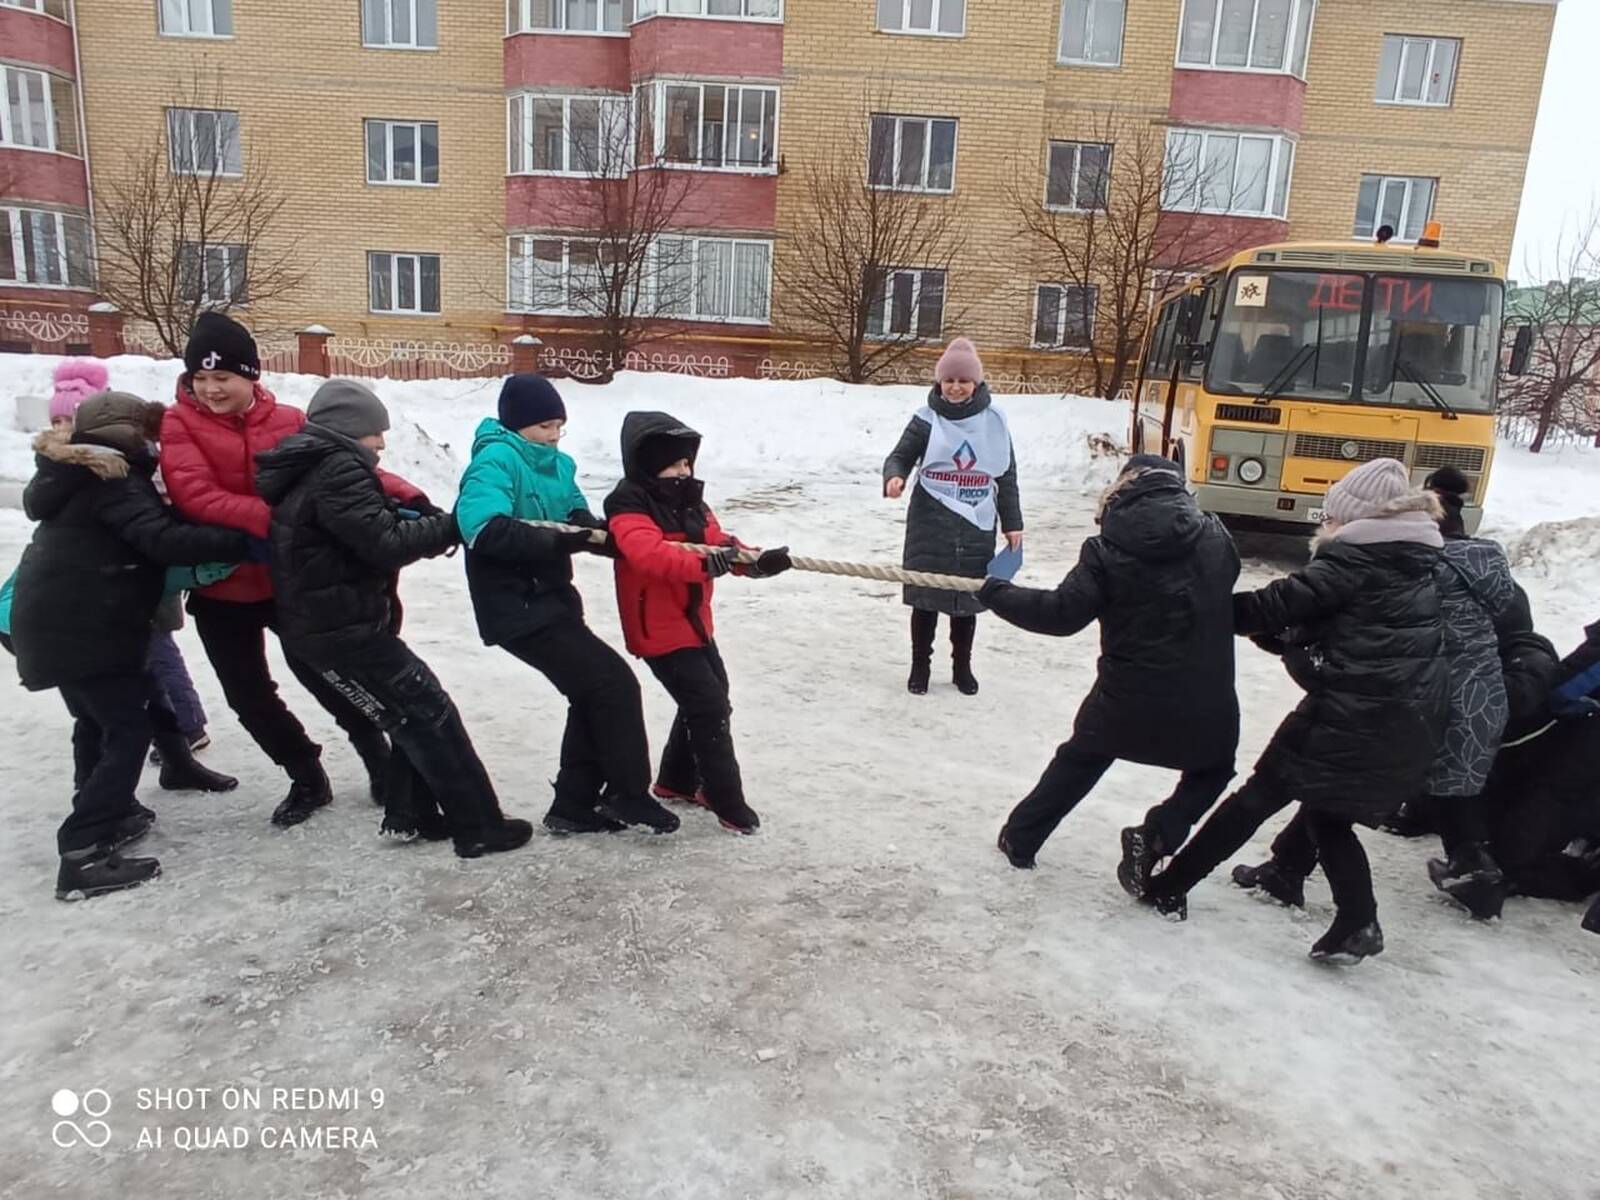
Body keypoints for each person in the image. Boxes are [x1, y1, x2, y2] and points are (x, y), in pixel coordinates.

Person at [1142, 459, 1449, 965]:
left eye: (1333, 513)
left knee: (1257, 798)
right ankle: (1353, 919)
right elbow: (1338, 626)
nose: (1327, 521)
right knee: (1328, 815)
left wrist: (1197, 607)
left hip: (1352, 714)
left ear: (1358, 516)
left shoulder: (1354, 560)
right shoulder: (1418, 561)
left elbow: (1274, 606)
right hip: (1405, 713)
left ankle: (1170, 886)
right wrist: (1285, 638)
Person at [161, 313, 424, 827]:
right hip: (223, 588)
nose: (211, 389)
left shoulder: (287, 421)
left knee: (330, 676)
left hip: (291, 582)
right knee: (248, 694)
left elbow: (343, 466)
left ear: (250, 375)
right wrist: (287, 522)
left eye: (223, 377)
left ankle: (377, 756)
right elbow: (196, 496)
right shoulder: (178, 424)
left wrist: (405, 494)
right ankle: (305, 775)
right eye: (201, 378)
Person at [254, 379, 533, 858]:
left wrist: (410, 518)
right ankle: (480, 827)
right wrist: (457, 523)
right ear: (347, 429)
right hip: (344, 630)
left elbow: (359, 529)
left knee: (410, 717)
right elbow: (385, 543)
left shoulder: (313, 466)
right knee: (429, 712)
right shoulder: (339, 469)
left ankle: (412, 814)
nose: (382, 442)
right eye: (374, 432)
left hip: (325, 625)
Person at [10, 392, 249, 899]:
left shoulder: (75, 475)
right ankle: (84, 848)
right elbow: (161, 540)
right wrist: (241, 538)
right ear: (127, 433)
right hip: (84, 628)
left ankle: (110, 812)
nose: (156, 444)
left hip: (61, 623)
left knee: (98, 721)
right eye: (149, 434)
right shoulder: (111, 478)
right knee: (127, 729)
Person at [982, 455, 1240, 888]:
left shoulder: (1106, 550)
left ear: (1121, 492)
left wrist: (997, 594)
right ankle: (1159, 834)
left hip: (1127, 698)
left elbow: (1061, 615)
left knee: (1083, 758)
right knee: (1213, 769)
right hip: (1207, 698)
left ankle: (1021, 838)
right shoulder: (1216, 536)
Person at [454, 374, 678, 836]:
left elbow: (579, 520)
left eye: (559, 426)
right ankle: (629, 794)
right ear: (516, 425)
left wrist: (618, 537)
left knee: (593, 690)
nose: (553, 435)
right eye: (544, 427)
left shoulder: (561, 465)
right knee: (613, 684)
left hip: (553, 599)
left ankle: (573, 805)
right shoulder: (494, 461)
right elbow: (481, 527)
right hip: (514, 605)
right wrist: (556, 539)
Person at [603, 411, 792, 835]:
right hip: (657, 630)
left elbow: (716, 543)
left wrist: (755, 562)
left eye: (687, 462)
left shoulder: (690, 500)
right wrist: (705, 566)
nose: (683, 471)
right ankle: (724, 797)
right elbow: (649, 556)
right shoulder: (628, 503)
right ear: (649, 463)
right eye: (673, 464)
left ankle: (677, 780)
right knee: (708, 706)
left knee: (712, 696)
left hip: (695, 624)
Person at [883, 337, 1022, 696]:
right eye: (949, 380)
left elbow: (1006, 476)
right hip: (930, 520)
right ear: (939, 382)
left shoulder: (994, 422)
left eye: (963, 380)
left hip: (976, 521)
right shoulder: (925, 420)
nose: (956, 387)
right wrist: (895, 477)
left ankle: (962, 666)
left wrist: (1012, 523)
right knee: (926, 599)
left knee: (966, 601)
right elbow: (899, 456)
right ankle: (920, 666)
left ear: (976, 383)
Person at [1415, 466, 1520, 918]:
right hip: (1485, 691)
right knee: (1456, 785)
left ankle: (1479, 873)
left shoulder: (1429, 566)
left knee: (1356, 781)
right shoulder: (1488, 562)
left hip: (1443, 691)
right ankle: (1472, 869)